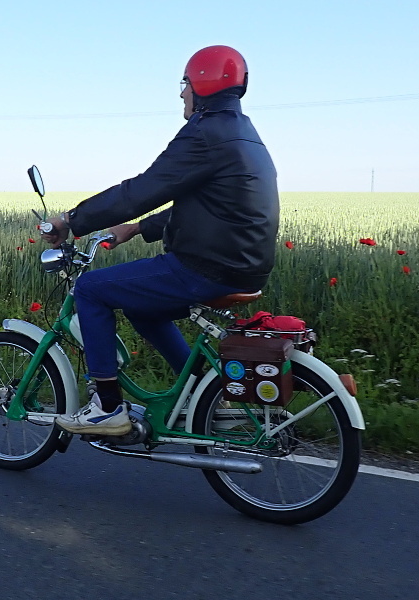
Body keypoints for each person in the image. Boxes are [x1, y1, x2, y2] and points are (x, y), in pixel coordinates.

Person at [40, 45, 280, 436]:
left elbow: (142, 190)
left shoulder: (204, 133)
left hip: (207, 267)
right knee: (142, 304)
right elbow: (206, 206)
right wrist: (135, 229)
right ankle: (204, 393)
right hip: (244, 266)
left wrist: (72, 220)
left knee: (91, 288)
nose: (182, 93)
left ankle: (107, 406)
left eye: (185, 83)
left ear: (203, 82)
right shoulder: (242, 134)